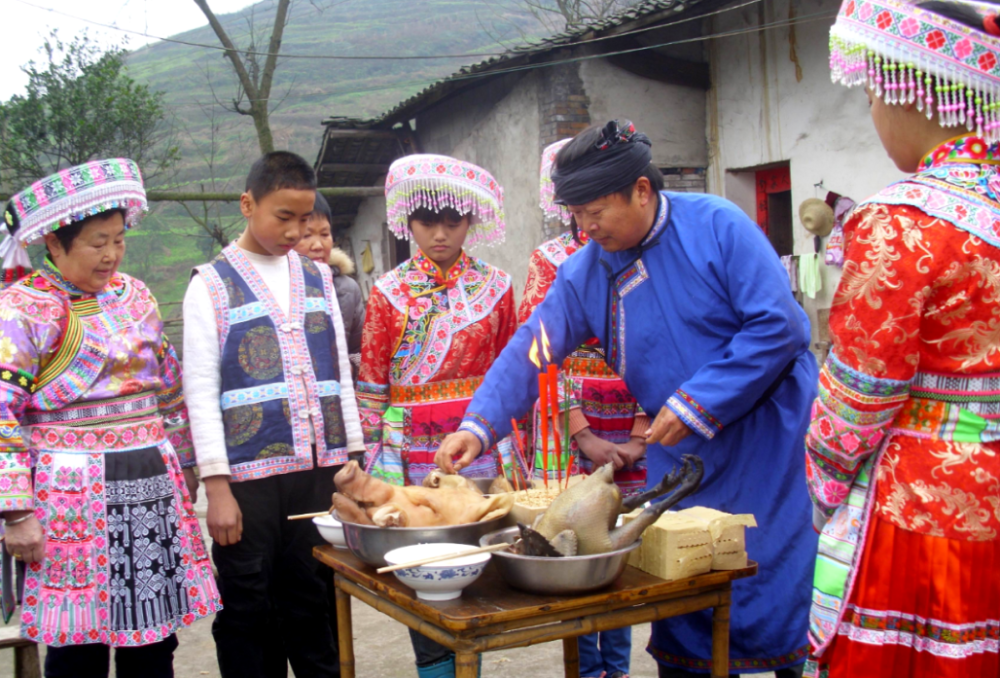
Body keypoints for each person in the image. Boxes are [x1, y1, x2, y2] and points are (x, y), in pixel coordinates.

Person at [437, 120, 818, 677]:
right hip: (682, 446)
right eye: (577, 216)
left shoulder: (717, 225)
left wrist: (696, 401)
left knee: (764, 572)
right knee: (680, 574)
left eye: (597, 212)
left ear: (642, 190)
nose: (587, 228)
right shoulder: (585, 272)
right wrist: (479, 424)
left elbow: (780, 326)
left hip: (764, 431)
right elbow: (533, 348)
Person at [805, 2, 1000, 677]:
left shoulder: (899, 222)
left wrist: (825, 488)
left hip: (922, 505)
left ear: (902, 91)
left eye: (870, 98)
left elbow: (860, 391)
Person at [0, 158, 220, 678]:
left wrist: (186, 465)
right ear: (55, 243)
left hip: (150, 484)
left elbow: (170, 387)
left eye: (118, 239)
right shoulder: (22, 308)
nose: (112, 254)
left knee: (153, 638)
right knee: (78, 644)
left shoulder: (136, 295)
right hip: (69, 495)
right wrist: (15, 512)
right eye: (97, 242)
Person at [182, 151, 364, 678]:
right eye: (283, 217)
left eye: (304, 219)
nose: (295, 230)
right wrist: (216, 489)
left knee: (315, 600)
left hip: (318, 475)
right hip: (246, 483)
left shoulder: (319, 279)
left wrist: (351, 457)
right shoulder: (209, 284)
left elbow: (339, 377)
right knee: (247, 606)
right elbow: (199, 390)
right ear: (248, 204)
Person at [356, 153, 518, 678]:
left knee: (482, 548)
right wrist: (368, 454)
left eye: (453, 221)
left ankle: (471, 658)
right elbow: (373, 381)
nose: (440, 234)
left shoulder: (497, 288)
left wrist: (519, 444)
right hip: (408, 450)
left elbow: (509, 371)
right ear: (408, 222)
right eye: (427, 222)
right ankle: (435, 665)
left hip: (480, 442)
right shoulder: (385, 292)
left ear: (470, 221)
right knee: (419, 559)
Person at [521, 138, 649, 678]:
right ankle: (585, 665)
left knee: (618, 543)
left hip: (643, 410)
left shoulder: (644, 248)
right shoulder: (548, 261)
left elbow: (660, 342)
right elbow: (541, 353)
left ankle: (616, 666)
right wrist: (580, 432)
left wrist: (643, 430)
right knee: (574, 543)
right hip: (568, 419)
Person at [295, 192, 365, 376]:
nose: (318, 245)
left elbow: (361, 350)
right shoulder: (271, 288)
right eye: (306, 235)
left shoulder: (347, 289)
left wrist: (349, 365)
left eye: (325, 234)